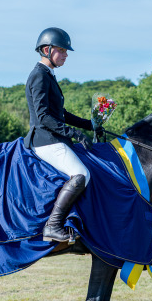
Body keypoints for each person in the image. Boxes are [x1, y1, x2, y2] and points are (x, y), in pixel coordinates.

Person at [24, 27, 101, 242]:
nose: (66, 55)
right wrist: (75, 134)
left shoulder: (48, 75)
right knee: (81, 174)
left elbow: (61, 114)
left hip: (54, 137)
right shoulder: (39, 76)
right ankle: (53, 226)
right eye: (62, 50)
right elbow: (43, 118)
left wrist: (90, 125)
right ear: (47, 50)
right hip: (45, 140)